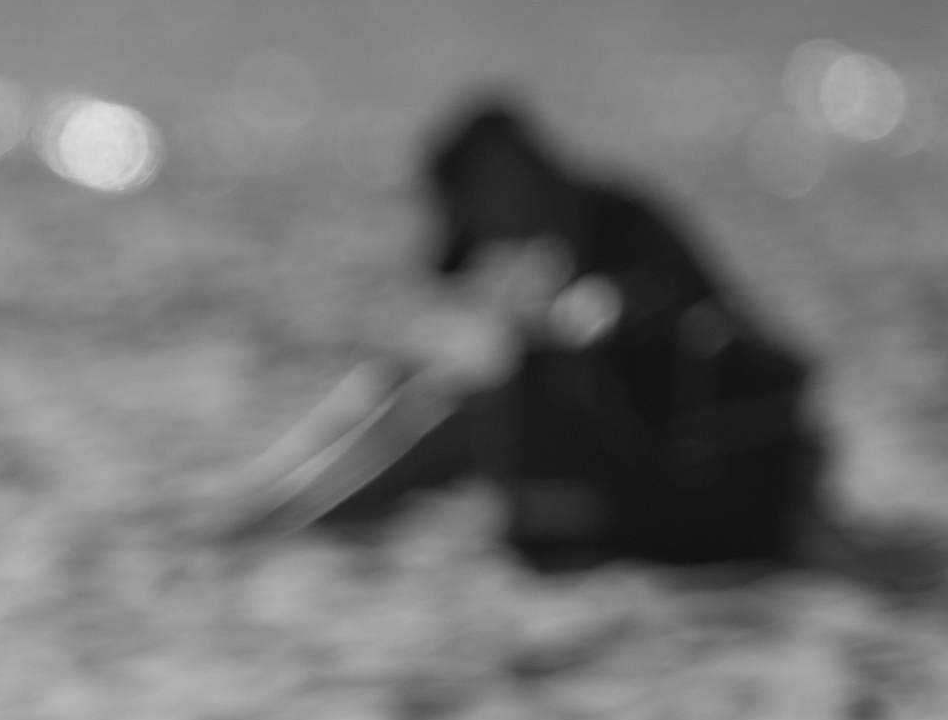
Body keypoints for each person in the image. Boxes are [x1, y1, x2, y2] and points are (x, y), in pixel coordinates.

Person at [233, 95, 864, 576]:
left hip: (677, 457)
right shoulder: (574, 235)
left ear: (502, 175)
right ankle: (275, 500)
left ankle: (298, 525)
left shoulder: (618, 223)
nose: (493, 242)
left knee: (462, 413)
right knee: (401, 381)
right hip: (638, 439)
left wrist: (561, 325)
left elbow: (624, 328)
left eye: (480, 219)